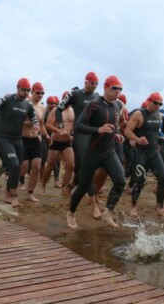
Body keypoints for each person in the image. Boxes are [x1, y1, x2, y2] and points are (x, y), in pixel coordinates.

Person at [66, 76, 126, 229]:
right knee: (83, 186)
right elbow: (79, 126)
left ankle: (107, 212)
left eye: (120, 89)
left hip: (109, 151)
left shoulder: (118, 106)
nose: (118, 92)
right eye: (115, 88)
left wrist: (117, 134)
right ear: (106, 88)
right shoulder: (94, 104)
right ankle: (71, 213)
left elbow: (114, 125)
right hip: (92, 152)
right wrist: (98, 130)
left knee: (120, 181)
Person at [0, 78, 40, 208]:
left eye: (28, 90)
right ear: (17, 88)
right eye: (23, 89)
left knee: (18, 168)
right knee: (14, 165)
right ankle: (14, 196)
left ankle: (7, 194)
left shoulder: (28, 105)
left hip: (17, 139)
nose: (26, 92)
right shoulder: (7, 99)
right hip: (4, 138)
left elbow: (33, 117)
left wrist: (36, 125)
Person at [55, 72, 100, 208]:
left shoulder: (97, 97)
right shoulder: (74, 94)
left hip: (92, 134)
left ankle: (70, 187)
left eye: (97, 84)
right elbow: (58, 110)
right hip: (80, 135)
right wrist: (61, 127)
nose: (94, 86)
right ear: (86, 82)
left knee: (81, 169)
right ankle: (94, 205)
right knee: (89, 166)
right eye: (92, 83)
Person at [124, 92, 164, 217]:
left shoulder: (159, 115)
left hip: (155, 152)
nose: (158, 106)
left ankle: (159, 205)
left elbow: (156, 133)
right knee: (140, 181)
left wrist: (158, 143)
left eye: (160, 104)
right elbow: (127, 131)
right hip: (141, 153)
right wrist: (138, 140)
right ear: (149, 101)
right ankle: (133, 205)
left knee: (163, 178)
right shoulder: (139, 114)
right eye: (155, 103)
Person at [19, 82, 50, 202]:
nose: (40, 95)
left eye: (42, 93)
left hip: (36, 140)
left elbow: (41, 124)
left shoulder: (42, 107)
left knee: (37, 167)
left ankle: (30, 193)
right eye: (38, 92)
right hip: (23, 138)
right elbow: (15, 120)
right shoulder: (24, 104)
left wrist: (46, 135)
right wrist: (24, 123)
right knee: (24, 167)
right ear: (32, 92)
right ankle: (11, 187)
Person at [41, 97, 75, 199]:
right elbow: (48, 125)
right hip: (55, 141)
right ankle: (43, 185)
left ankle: (64, 188)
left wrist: (72, 134)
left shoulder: (73, 111)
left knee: (70, 164)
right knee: (50, 165)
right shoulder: (56, 110)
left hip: (67, 142)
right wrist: (59, 131)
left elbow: (73, 125)